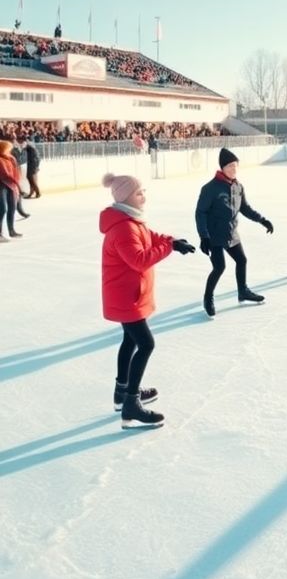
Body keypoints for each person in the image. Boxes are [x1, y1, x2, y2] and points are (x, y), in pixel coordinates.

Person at [100, 172, 195, 427]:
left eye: (143, 191)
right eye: (139, 193)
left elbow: (151, 236)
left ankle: (122, 393)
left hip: (128, 294)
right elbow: (139, 259)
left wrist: (172, 241)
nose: (144, 196)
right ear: (126, 198)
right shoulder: (123, 228)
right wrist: (169, 248)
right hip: (126, 297)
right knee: (146, 344)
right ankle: (131, 403)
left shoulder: (131, 220)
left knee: (130, 341)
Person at [195, 148, 273, 317]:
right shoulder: (210, 188)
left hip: (231, 233)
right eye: (229, 166)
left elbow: (245, 208)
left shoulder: (238, 186)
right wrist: (204, 236)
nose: (233, 169)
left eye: (235, 166)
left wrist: (262, 220)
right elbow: (200, 212)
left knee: (242, 260)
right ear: (222, 167)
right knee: (219, 267)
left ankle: (243, 291)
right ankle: (208, 298)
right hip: (214, 235)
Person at [0, 140, 22, 240]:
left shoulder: (11, 158)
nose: (10, 150)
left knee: (12, 208)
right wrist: (17, 183)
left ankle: (11, 230)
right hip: (2, 185)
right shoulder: (1, 159)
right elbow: (6, 174)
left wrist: (17, 182)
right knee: (3, 209)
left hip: (11, 185)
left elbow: (16, 170)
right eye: (9, 148)